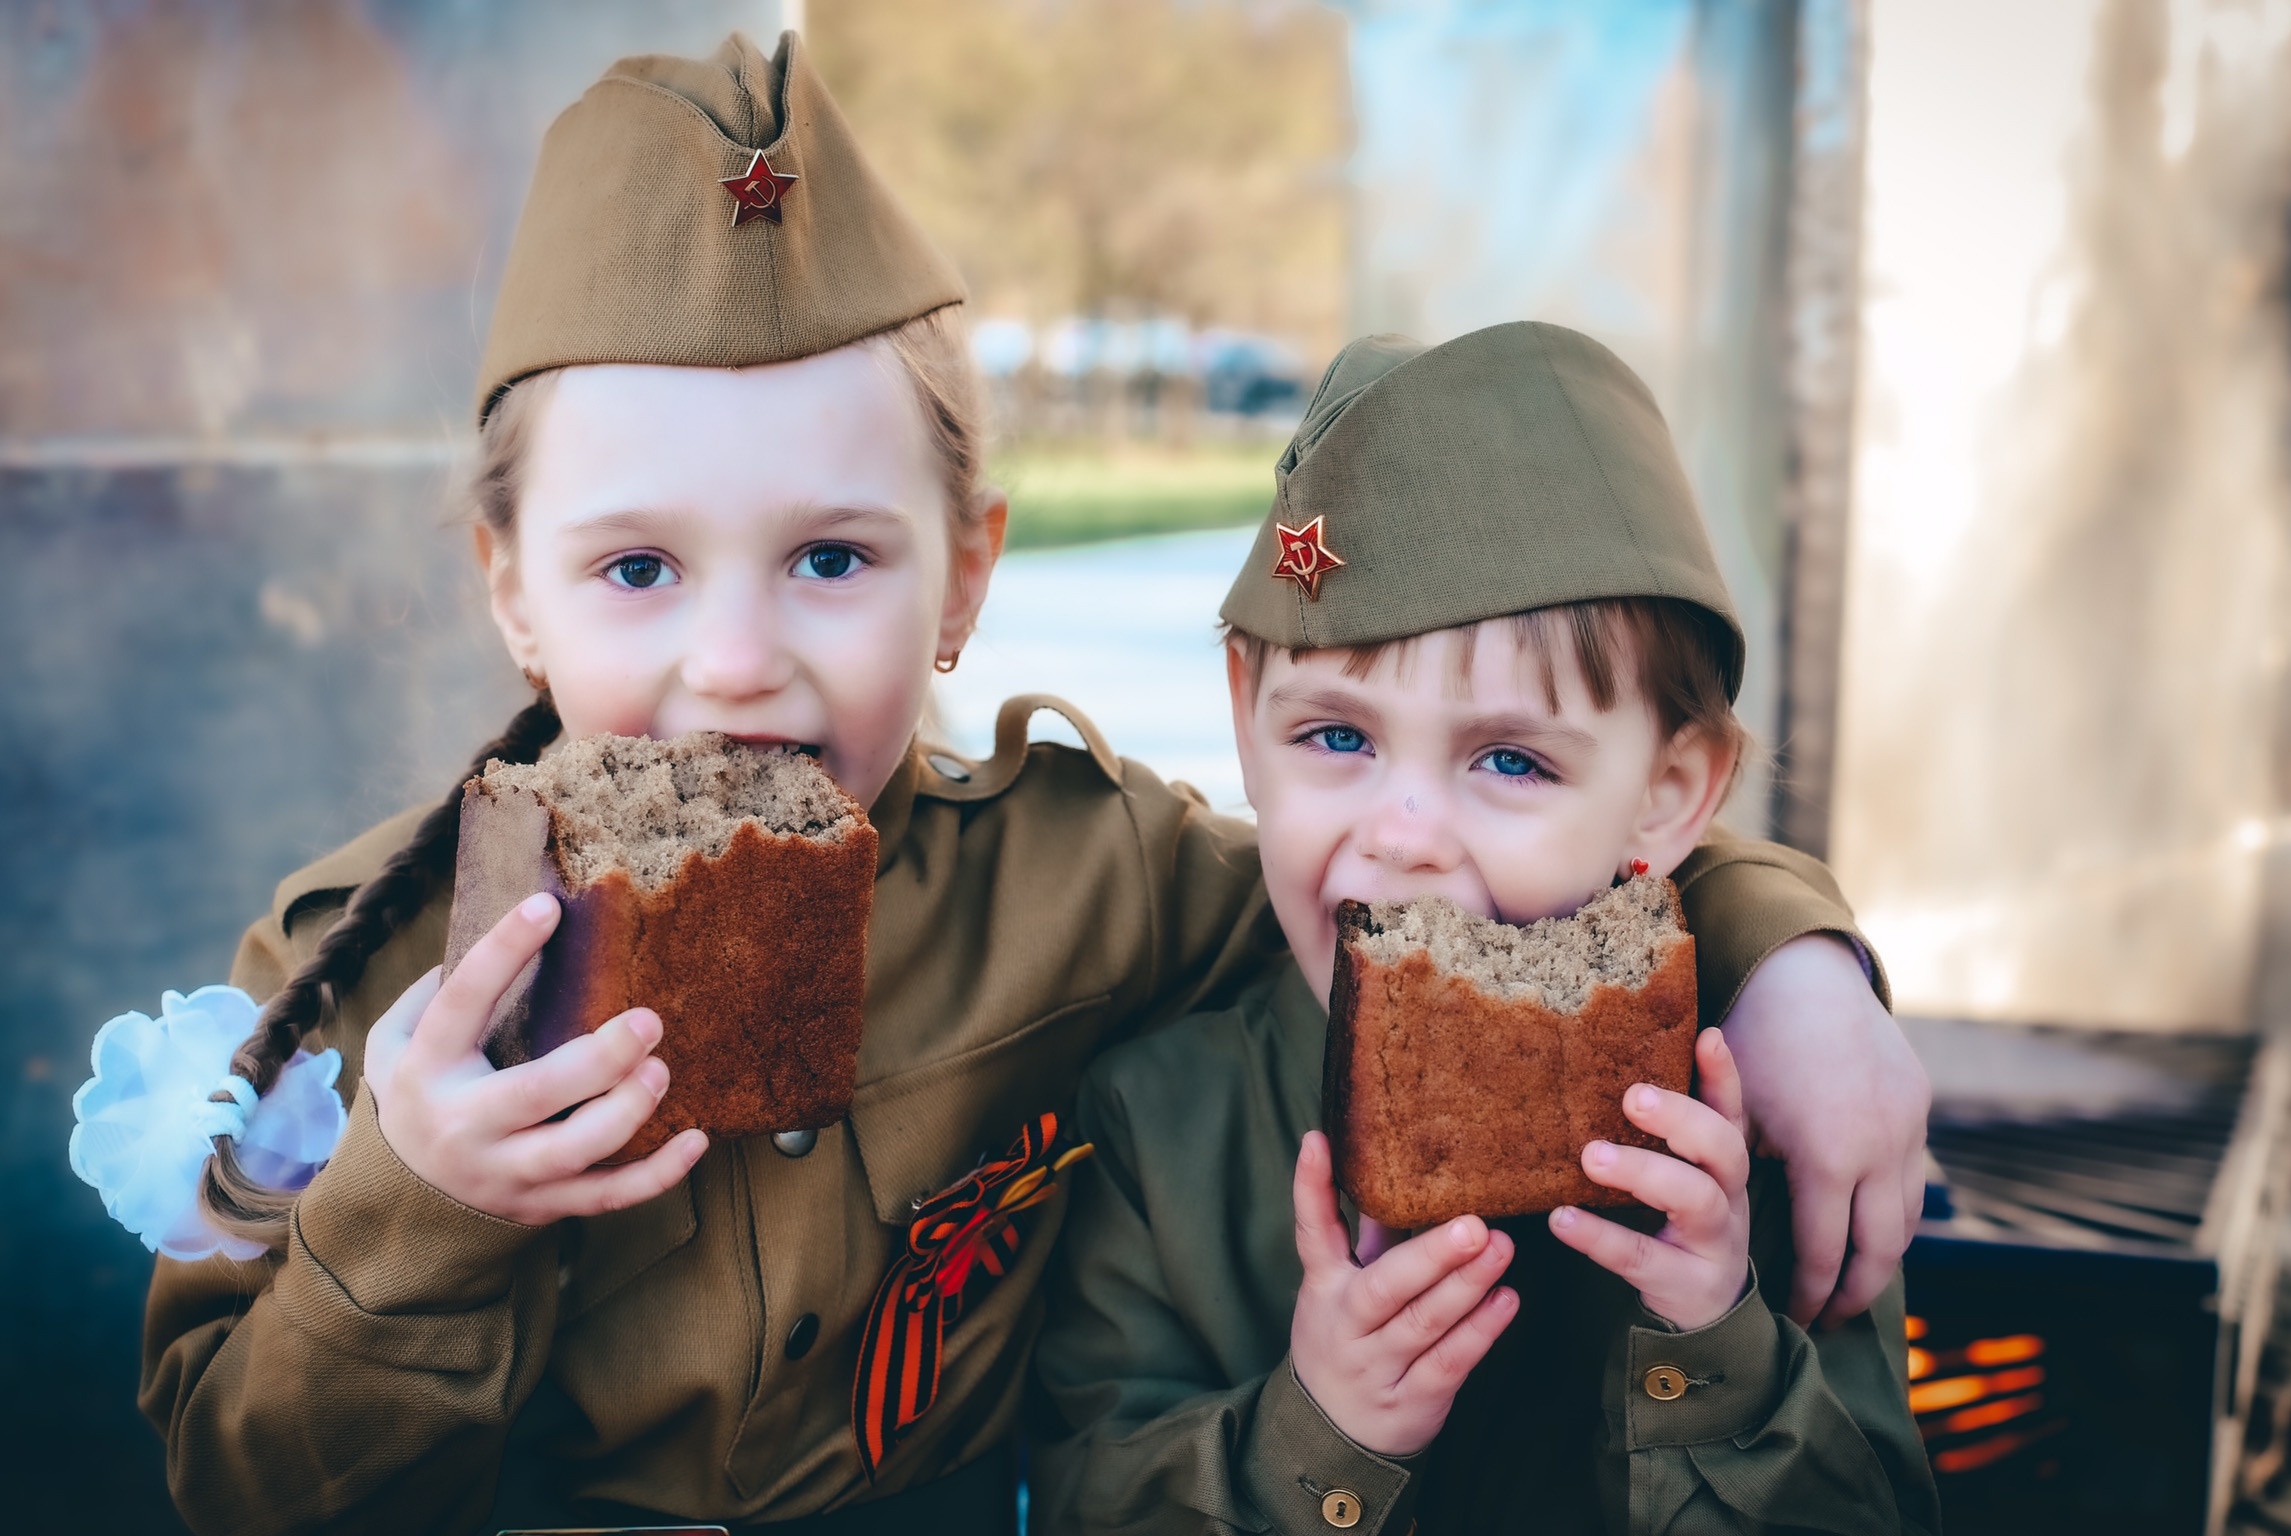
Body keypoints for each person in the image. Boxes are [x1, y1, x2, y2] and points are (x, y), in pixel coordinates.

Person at [121, 34, 1924, 1536]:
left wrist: (1791, 962)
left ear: (966, 577)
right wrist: (423, 1195)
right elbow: (235, 1482)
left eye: (833, 559)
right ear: (511, 586)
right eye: (636, 569)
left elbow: (1428, 874)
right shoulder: (366, 984)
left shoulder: (1090, 879)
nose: (736, 658)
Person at [1029, 324, 1940, 1536]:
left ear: (1667, 796)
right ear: (1248, 721)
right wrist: (1319, 1431)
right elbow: (1090, 1497)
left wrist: (1717, 1351)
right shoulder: (1156, 1122)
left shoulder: (1753, 1122)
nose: (1404, 834)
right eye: (1337, 737)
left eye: (1509, 760)